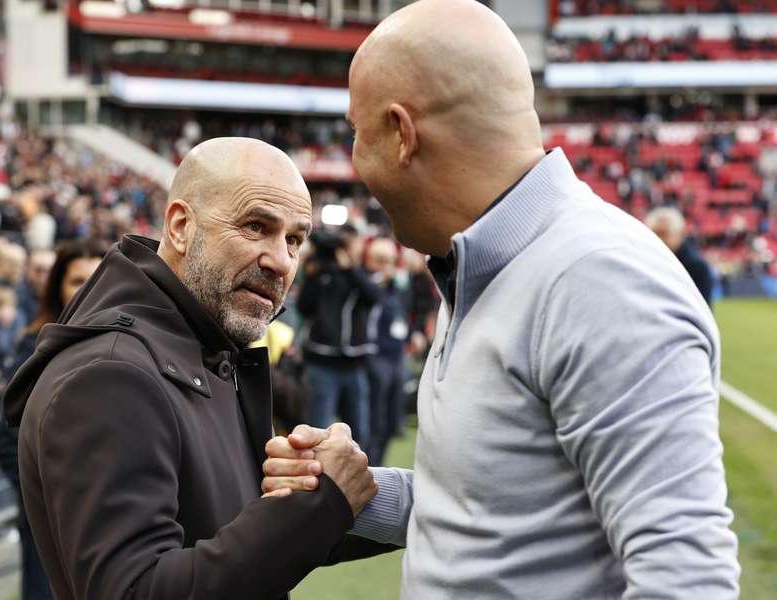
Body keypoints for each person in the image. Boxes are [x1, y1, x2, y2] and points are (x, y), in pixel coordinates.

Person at [263, 1, 740, 598]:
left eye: (357, 134)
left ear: (402, 134)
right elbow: (492, 507)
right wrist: (350, 488)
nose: (355, 165)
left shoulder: (599, 282)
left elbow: (686, 582)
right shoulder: (483, 265)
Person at [2, 138, 388, 600]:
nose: (281, 261)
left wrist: (368, 497)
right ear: (182, 227)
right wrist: (323, 502)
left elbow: (231, 533)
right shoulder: (110, 375)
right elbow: (137, 591)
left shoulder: (202, 350)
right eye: (255, 226)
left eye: (294, 240)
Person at [0, 238, 106, 600]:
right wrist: (45, 495)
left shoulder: (129, 345)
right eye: (76, 280)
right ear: (58, 284)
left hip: (106, 518)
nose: (86, 289)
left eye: (95, 277)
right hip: (49, 518)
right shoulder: (33, 347)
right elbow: (7, 443)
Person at [296, 228, 382, 448]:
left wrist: (350, 269)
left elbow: (374, 297)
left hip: (354, 365)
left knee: (359, 434)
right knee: (317, 431)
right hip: (322, 363)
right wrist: (313, 274)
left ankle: (356, 480)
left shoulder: (359, 273)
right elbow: (304, 307)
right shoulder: (318, 272)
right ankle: (315, 479)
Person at [362, 237, 408, 466]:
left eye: (391, 261)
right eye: (381, 260)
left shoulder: (395, 288)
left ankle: (380, 467)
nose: (387, 266)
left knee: (392, 419)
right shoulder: (367, 284)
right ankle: (370, 467)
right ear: (370, 260)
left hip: (397, 356)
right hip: (375, 356)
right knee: (375, 421)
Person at [646, 206, 715, 304]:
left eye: (664, 233)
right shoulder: (644, 261)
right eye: (654, 233)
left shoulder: (697, 268)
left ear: (679, 234)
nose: (659, 239)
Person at [17, 248, 56, 325]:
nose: (44, 277)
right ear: (27, 270)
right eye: (38, 270)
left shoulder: (61, 296)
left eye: (50, 271)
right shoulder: (16, 297)